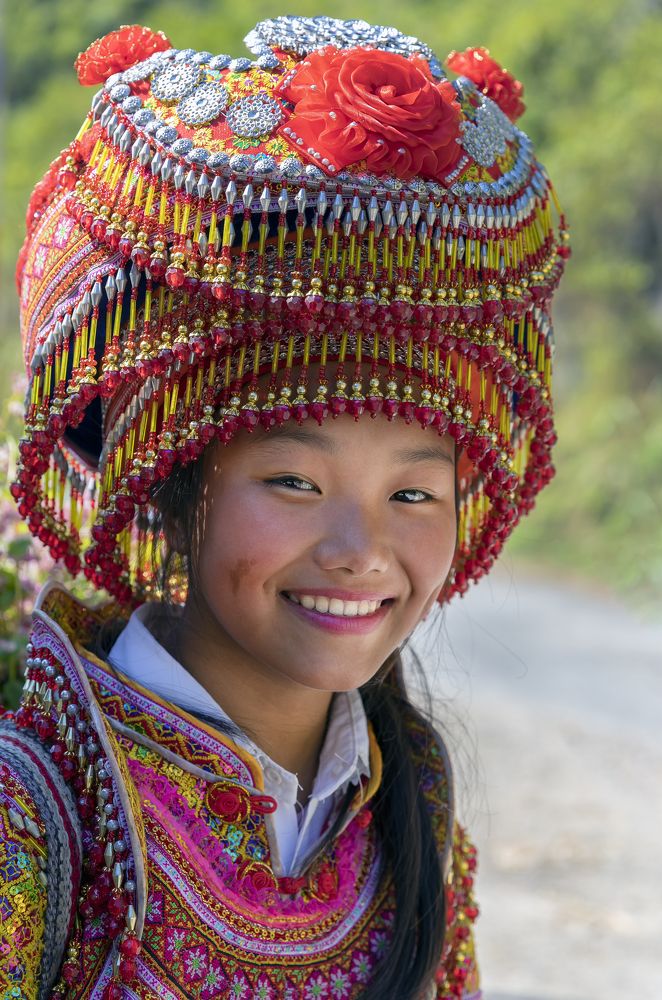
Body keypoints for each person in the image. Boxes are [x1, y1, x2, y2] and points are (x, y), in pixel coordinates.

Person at [1, 16, 568, 1000]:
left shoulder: (414, 816)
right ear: (172, 477)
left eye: (413, 493)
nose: (360, 549)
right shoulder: (35, 813)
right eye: (296, 483)